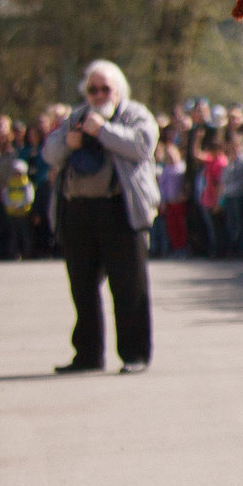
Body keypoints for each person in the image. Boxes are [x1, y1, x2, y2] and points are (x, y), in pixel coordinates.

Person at [42, 60, 161, 375]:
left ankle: (135, 355)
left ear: (118, 89)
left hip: (120, 210)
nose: (97, 94)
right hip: (78, 211)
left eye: (104, 88)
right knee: (81, 286)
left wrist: (104, 131)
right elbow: (49, 154)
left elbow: (143, 144)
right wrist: (69, 143)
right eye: (92, 89)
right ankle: (87, 355)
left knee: (129, 286)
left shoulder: (134, 114)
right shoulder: (76, 117)